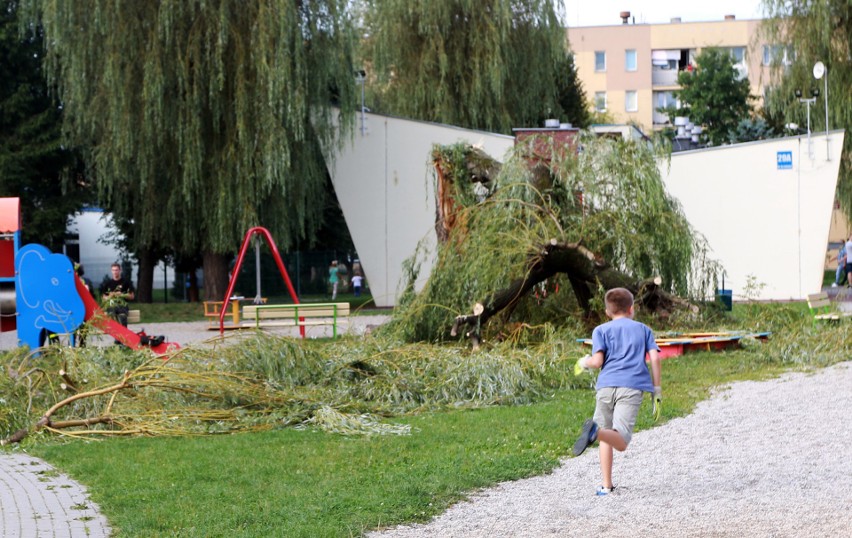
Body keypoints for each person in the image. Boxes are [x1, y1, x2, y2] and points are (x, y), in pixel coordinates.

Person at [571, 287, 662, 496]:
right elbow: (655, 358)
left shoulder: (600, 330)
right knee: (620, 440)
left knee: (608, 435)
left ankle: (606, 485)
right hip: (631, 387)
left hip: (605, 386)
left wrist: (583, 361)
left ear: (607, 312)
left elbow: (597, 361)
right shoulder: (643, 330)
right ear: (632, 309)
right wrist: (656, 391)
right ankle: (595, 432)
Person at [100, 262, 135, 327]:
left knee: (122, 317)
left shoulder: (126, 282)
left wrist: (121, 294)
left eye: (116, 270)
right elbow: (103, 298)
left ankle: (123, 335)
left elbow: (132, 296)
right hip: (111, 306)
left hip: (122, 305)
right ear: (111, 271)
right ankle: (117, 336)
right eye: (113, 270)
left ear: (120, 270)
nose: (115, 272)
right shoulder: (108, 283)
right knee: (112, 317)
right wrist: (110, 296)